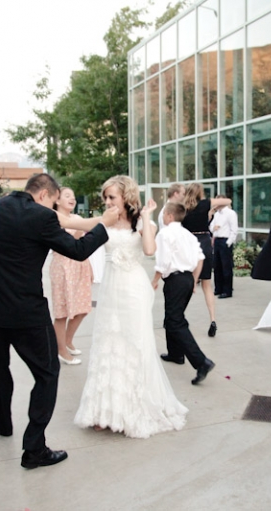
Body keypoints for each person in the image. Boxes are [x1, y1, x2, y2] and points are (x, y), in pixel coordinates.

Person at [0, 173, 115, 469]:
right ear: (45, 195)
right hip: (26, 313)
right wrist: (103, 227)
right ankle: (34, 448)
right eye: (52, 201)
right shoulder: (41, 216)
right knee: (47, 373)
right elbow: (78, 250)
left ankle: (0, 420)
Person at [74, 176, 188, 438]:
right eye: (105, 197)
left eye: (112, 197)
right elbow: (75, 224)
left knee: (134, 345)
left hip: (134, 291)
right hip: (111, 290)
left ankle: (132, 409)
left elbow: (149, 250)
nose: (107, 202)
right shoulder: (106, 219)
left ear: (126, 196)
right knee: (108, 343)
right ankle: (104, 411)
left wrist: (148, 216)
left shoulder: (141, 222)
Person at [152, 202, 215, 384]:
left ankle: (201, 362)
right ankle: (175, 354)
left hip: (175, 280)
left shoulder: (164, 233)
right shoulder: (188, 234)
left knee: (175, 321)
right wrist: (194, 281)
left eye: (164, 214)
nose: (163, 217)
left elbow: (162, 261)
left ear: (170, 216)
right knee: (174, 317)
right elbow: (200, 259)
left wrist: (155, 280)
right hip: (187, 279)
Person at [49, 187, 93, 365]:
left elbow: (83, 245)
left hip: (80, 265)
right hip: (63, 266)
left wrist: (89, 268)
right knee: (62, 312)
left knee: (83, 308)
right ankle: (60, 350)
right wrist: (79, 231)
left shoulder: (77, 219)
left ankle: (66, 341)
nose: (72, 199)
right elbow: (71, 243)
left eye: (74, 196)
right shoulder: (52, 219)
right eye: (67, 196)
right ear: (57, 200)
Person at [181, 183, 231, 337]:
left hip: (188, 242)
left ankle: (178, 315)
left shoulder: (182, 207)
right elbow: (228, 201)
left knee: (186, 283)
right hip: (204, 241)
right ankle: (213, 319)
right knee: (207, 284)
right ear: (199, 193)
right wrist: (211, 210)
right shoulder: (204, 204)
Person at [209, 195, 238, 298]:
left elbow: (234, 229)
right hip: (217, 240)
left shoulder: (230, 213)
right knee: (217, 266)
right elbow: (211, 226)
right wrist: (214, 228)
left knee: (226, 267)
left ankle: (227, 290)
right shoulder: (217, 214)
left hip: (225, 241)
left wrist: (228, 243)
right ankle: (218, 288)